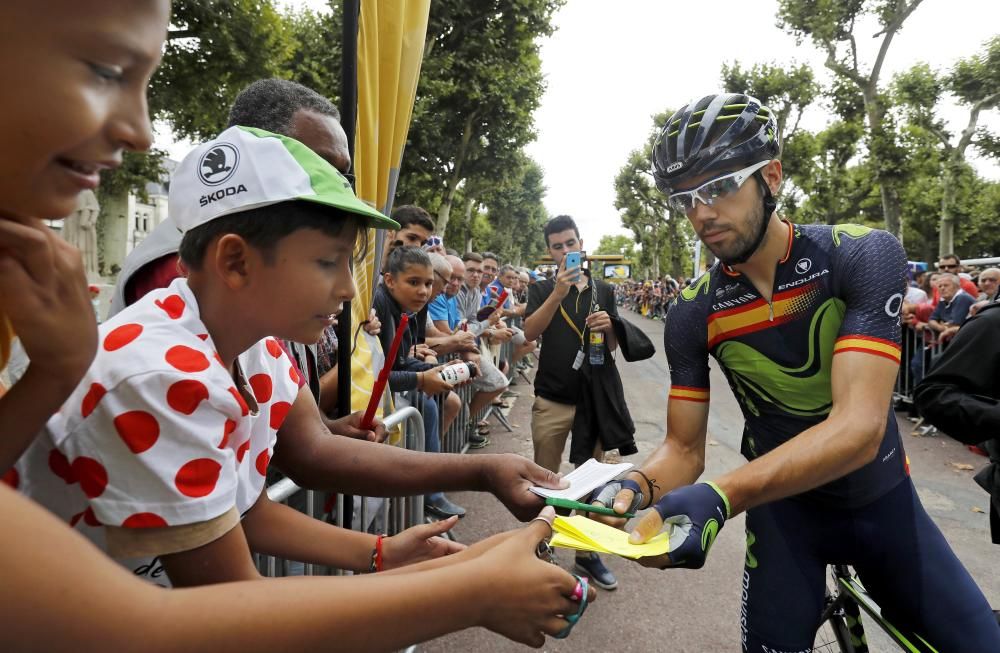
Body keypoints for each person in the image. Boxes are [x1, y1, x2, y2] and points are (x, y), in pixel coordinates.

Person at [592, 93, 1000, 650]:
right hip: (784, 522)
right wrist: (637, 483)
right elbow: (683, 449)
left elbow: (857, 430)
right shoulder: (694, 308)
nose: (701, 212)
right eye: (684, 198)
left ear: (773, 176)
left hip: (881, 501)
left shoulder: (859, 255)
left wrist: (721, 495)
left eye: (718, 187)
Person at [102, 77, 564, 523]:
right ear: (234, 261)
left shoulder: (258, 343)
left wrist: (325, 432)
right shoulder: (169, 336)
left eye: (344, 176)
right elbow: (223, 559)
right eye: (317, 169)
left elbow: (300, 455)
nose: (337, 189)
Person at [523, 215, 622, 591]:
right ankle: (540, 548)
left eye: (570, 244)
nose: (566, 251)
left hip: (592, 402)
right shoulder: (541, 288)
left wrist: (610, 327)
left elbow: (612, 348)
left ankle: (586, 554)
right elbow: (529, 334)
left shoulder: (605, 290)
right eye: (557, 246)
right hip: (550, 399)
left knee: (590, 481)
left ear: (582, 243)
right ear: (550, 252)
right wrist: (557, 294)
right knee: (543, 480)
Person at [373, 246, 467, 519]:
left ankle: (426, 491)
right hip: (366, 404)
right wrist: (422, 378)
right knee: (425, 406)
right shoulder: (379, 306)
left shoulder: (408, 308)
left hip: (385, 395)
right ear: (390, 280)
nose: (424, 291)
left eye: (428, 284)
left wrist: (435, 369)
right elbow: (379, 375)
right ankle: (426, 494)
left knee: (431, 402)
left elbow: (399, 361)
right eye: (414, 283)